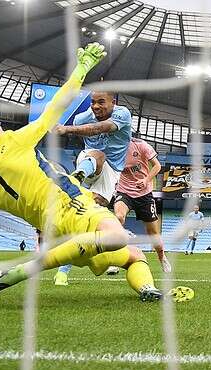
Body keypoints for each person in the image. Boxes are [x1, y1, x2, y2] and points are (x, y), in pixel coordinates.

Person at [0, 43, 192, 303]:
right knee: (118, 236)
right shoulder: (13, 141)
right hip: (71, 205)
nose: (3, 128)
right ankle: (24, 270)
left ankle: (147, 289)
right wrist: (82, 68)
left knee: (133, 256)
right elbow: (58, 104)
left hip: (55, 238)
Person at [53, 82, 132, 281]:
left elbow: (101, 128)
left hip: (112, 172)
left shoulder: (122, 114)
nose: (96, 106)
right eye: (93, 102)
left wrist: (66, 129)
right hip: (89, 162)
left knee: (86, 219)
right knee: (97, 155)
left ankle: (64, 271)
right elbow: (91, 132)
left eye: (101, 102)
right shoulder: (82, 117)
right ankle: (77, 177)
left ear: (112, 102)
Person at [113, 137, 171, 272]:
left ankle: (162, 257)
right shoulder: (112, 148)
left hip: (144, 194)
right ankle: (116, 258)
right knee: (118, 217)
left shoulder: (141, 145)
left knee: (153, 233)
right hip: (124, 191)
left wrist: (146, 179)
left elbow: (157, 166)